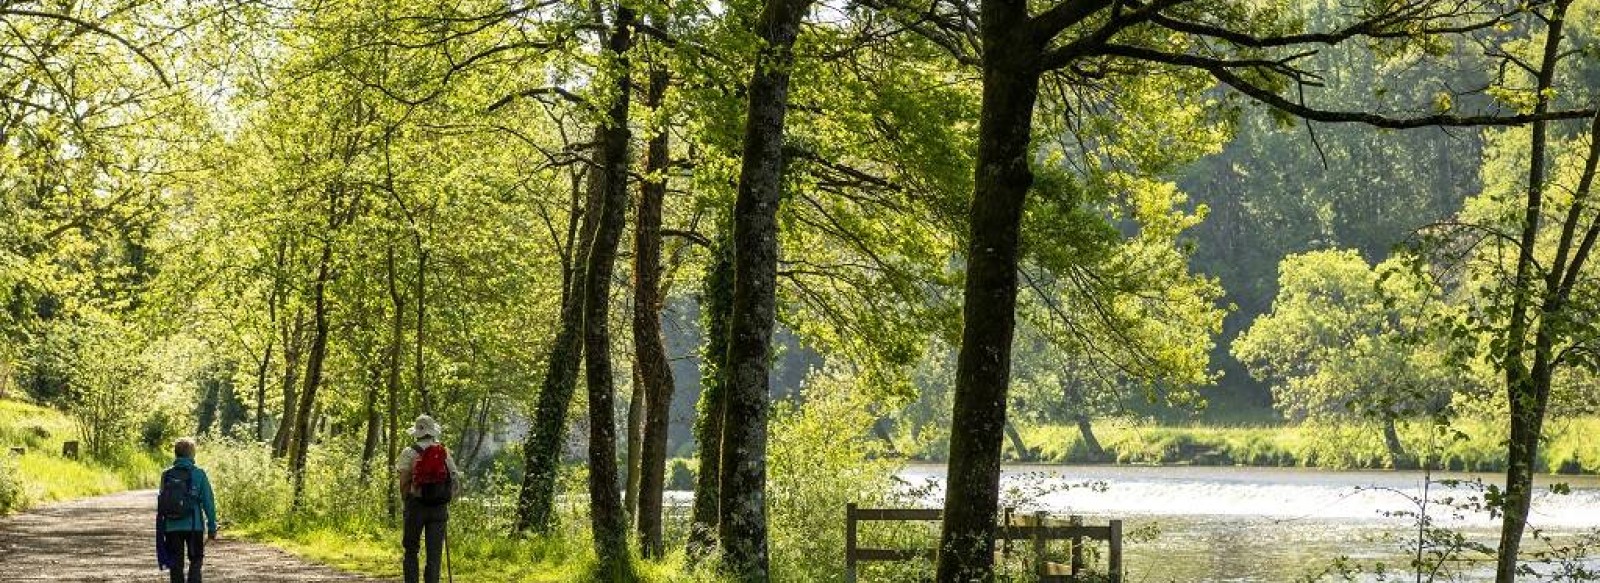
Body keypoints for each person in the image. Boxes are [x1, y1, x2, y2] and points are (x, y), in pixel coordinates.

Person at [396, 414, 462, 583]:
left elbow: (404, 480)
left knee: (411, 550)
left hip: (415, 506)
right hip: (439, 508)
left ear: (417, 432)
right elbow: (454, 478)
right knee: (434, 554)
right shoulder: (443, 452)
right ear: (433, 432)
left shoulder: (409, 452)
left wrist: (406, 501)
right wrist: (446, 498)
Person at [157, 438, 218, 583]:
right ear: (192, 454)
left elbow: (163, 500)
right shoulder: (199, 474)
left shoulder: (166, 475)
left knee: (176, 565)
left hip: (171, 526)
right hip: (194, 526)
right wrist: (212, 526)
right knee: (196, 561)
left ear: (176, 454)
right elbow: (208, 502)